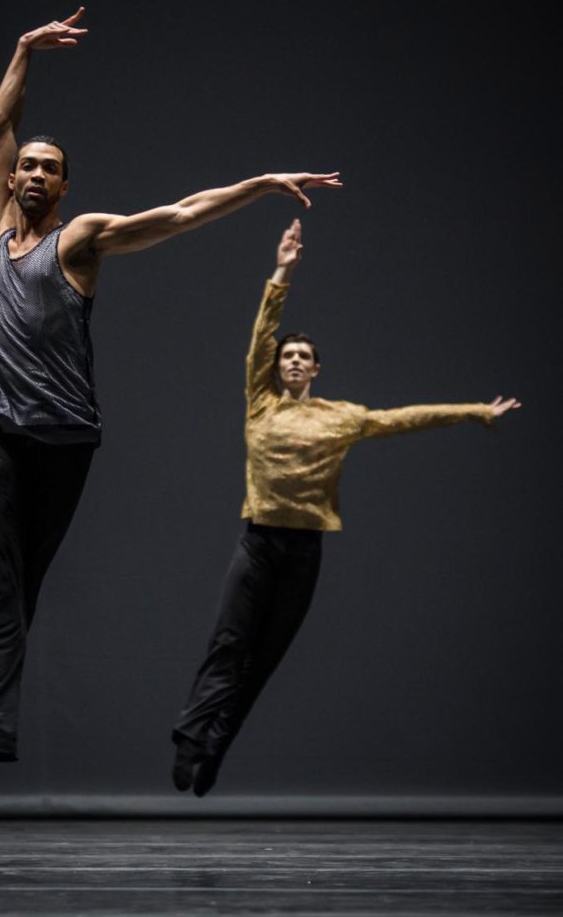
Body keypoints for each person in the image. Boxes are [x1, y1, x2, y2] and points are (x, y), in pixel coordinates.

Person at [0, 7, 343, 797]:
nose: (38, 174)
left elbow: (178, 215)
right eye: (30, 165)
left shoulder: (77, 240)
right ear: (13, 178)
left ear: (65, 185)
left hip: (67, 442)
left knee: (20, 589)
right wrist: (20, 47)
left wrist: (257, 186)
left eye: (52, 168)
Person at [171, 217, 520, 797]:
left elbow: (406, 418)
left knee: (264, 660)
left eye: (304, 356)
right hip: (257, 542)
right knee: (228, 643)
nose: (293, 360)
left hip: (304, 550)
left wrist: (476, 412)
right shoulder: (260, 405)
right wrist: (282, 269)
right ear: (277, 367)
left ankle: (213, 751)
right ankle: (189, 738)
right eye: (288, 356)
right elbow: (263, 333)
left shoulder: (343, 416)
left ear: (317, 368)